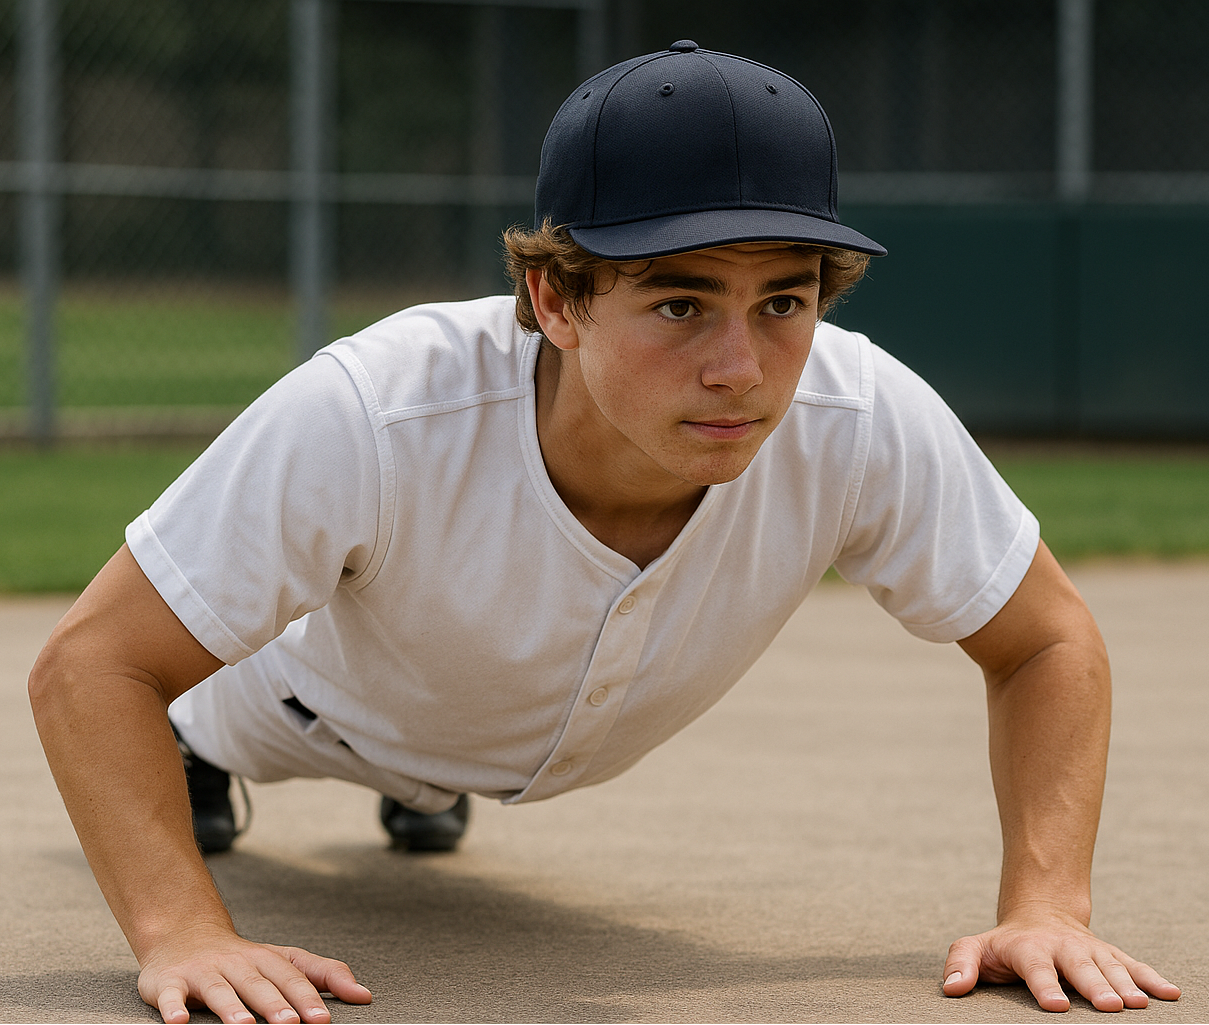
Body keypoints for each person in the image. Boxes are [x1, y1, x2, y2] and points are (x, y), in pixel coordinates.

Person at [29, 41, 1179, 1024]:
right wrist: (180, 929)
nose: (740, 367)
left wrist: (1045, 905)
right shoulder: (377, 411)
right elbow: (91, 664)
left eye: (783, 300)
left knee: (464, 714)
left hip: (501, 697)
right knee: (206, 719)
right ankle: (229, 763)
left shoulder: (858, 413)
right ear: (558, 300)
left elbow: (1047, 638)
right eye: (680, 302)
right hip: (308, 704)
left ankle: (432, 790)